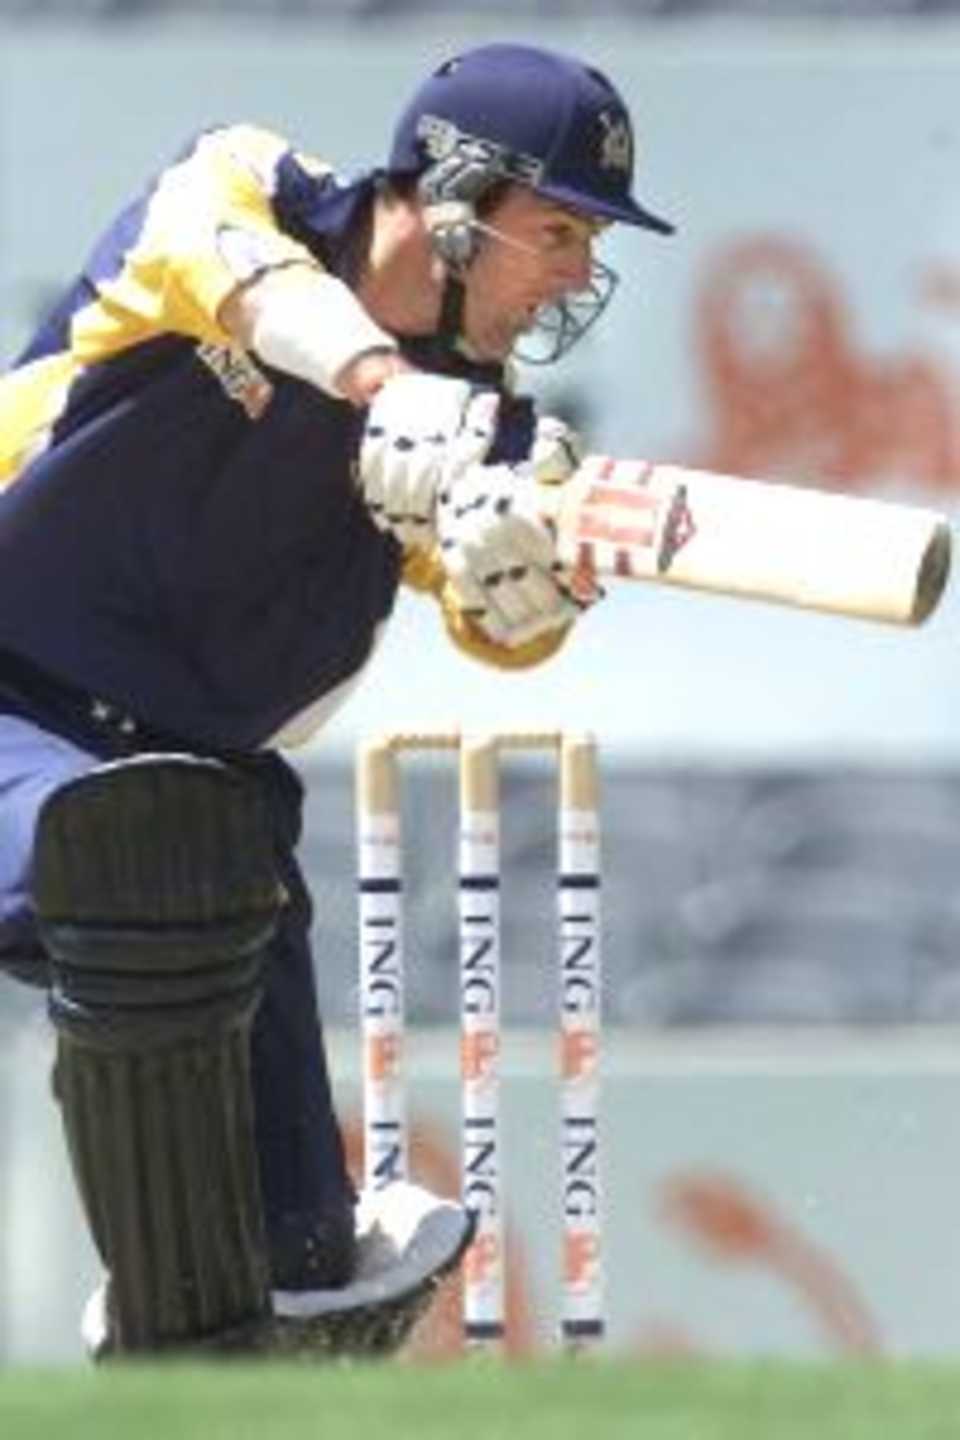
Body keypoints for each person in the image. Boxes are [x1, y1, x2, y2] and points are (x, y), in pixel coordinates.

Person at [0, 41, 673, 1359]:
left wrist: (517, 588)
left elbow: (492, 612)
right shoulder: (247, 190)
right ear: (457, 198)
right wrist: (383, 386)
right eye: (560, 232)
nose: (581, 274)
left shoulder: (487, 424)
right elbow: (233, 273)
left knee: (295, 1280)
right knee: (131, 856)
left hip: (196, 794)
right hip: (13, 698)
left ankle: (201, 1328)